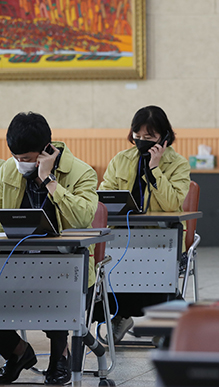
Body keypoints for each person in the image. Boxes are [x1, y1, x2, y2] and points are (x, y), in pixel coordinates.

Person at [0, 112, 98, 385]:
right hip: (15, 264)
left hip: (68, 268)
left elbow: (83, 218)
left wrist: (48, 180)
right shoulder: (7, 170)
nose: (20, 164)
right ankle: (17, 351)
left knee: (57, 281)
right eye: (16, 157)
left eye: (27, 159)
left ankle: (59, 357)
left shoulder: (81, 172)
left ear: (46, 150)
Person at [96, 105, 190, 343]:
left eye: (149, 138)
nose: (142, 142)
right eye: (137, 137)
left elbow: (171, 203)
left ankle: (165, 320)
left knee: (153, 264)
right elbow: (104, 197)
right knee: (111, 262)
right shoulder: (121, 159)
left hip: (160, 236)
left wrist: (155, 169)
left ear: (164, 136)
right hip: (122, 234)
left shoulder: (178, 164)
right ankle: (121, 314)